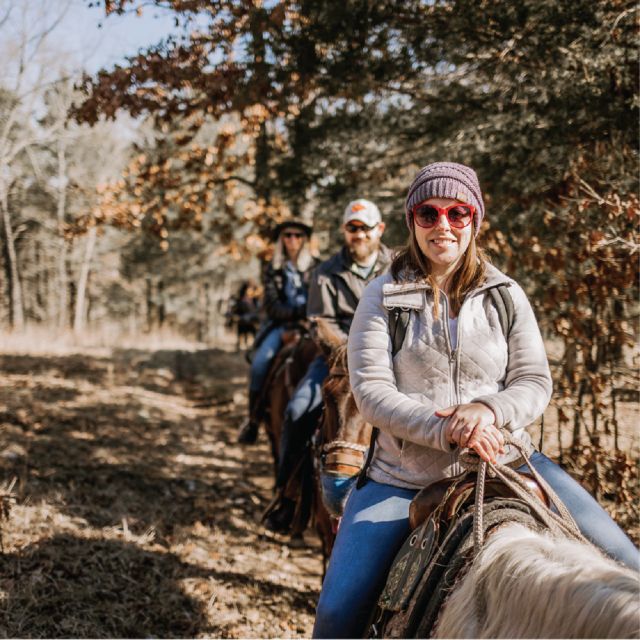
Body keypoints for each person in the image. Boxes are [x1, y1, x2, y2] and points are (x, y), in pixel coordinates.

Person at [313, 162, 640, 638]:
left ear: (474, 219)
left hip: (510, 460)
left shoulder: (505, 294)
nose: (442, 225)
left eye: (456, 212)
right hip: (403, 476)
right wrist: (444, 427)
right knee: (337, 614)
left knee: (629, 567)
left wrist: (487, 410)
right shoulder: (381, 296)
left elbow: (533, 380)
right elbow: (372, 393)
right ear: (411, 221)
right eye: (428, 213)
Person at [264, 199, 392, 533]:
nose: (359, 235)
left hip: (390, 360)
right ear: (344, 232)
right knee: (297, 409)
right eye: (352, 228)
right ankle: (288, 494)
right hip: (336, 360)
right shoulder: (325, 273)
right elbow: (321, 320)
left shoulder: (400, 267)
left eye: (365, 228)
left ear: (379, 230)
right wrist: (348, 351)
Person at [237, 219, 319, 444]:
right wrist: (299, 313)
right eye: (288, 235)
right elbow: (272, 306)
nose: (293, 240)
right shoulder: (272, 269)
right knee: (260, 363)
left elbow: (320, 301)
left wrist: (308, 316)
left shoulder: (318, 267)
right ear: (281, 240)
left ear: (304, 240)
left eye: (298, 235)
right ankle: (253, 420)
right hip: (280, 326)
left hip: (314, 326)